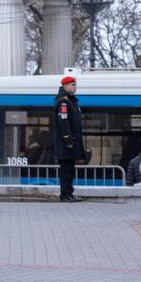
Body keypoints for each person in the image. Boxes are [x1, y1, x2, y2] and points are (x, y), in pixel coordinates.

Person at [51, 74, 85, 202]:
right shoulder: (64, 102)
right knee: (66, 170)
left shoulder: (71, 101)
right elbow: (63, 122)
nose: (75, 87)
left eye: (75, 85)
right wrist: (67, 140)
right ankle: (65, 195)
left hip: (70, 144)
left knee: (70, 169)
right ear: (65, 86)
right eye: (73, 85)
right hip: (66, 144)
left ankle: (69, 193)